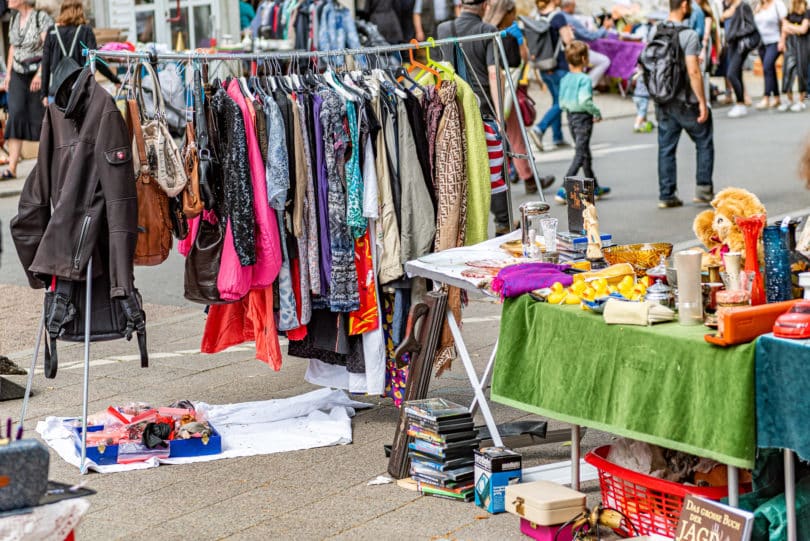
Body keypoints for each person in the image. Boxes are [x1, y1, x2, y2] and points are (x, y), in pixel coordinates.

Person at [437, 0, 554, 235]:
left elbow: (440, 69)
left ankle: (461, 227)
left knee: (459, 169)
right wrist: (500, 116)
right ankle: (503, 223)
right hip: (482, 109)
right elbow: (494, 74)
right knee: (494, 169)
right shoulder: (487, 31)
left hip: (453, 109)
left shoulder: (443, 29)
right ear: (486, 4)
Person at [651, 0, 714, 208]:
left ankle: (667, 194)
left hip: (663, 98)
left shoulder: (655, 31)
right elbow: (693, 71)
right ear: (684, 5)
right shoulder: (689, 35)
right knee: (703, 139)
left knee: (666, 148)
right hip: (685, 100)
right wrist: (703, 102)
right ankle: (703, 189)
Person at [2, 0, 53, 180]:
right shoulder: (14, 20)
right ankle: (12, 167)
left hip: (37, 71)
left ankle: (46, 167)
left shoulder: (41, 18)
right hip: (17, 73)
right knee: (15, 115)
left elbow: (49, 48)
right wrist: (8, 74)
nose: (8, 1)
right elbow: (13, 49)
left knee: (39, 117)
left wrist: (40, 74)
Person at [555, 40, 610, 203]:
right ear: (585, 59)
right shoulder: (585, 79)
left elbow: (561, 102)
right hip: (583, 119)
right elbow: (585, 100)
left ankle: (594, 187)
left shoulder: (565, 78)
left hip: (571, 117)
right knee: (580, 154)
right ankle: (563, 188)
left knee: (585, 152)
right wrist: (596, 112)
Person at [41, 0, 120, 105]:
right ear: (79, 11)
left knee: (59, 120)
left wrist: (44, 94)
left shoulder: (52, 31)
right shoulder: (85, 31)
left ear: (62, 11)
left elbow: (45, 63)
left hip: (58, 91)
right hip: (80, 89)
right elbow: (95, 59)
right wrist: (115, 80)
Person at [530, 0, 573, 151]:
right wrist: (570, 33)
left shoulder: (536, 17)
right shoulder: (558, 17)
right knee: (564, 101)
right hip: (558, 65)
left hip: (544, 66)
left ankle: (557, 137)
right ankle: (539, 129)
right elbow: (568, 41)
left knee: (557, 100)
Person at [559, 0, 613, 86]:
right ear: (569, 6)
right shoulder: (571, 19)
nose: (575, 8)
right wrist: (604, 27)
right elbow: (590, 36)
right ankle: (587, 85)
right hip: (574, 51)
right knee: (604, 61)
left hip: (564, 51)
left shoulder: (557, 16)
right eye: (574, 6)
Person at [721, 0, 756, 117]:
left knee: (731, 74)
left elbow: (751, 26)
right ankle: (740, 104)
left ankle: (740, 103)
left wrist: (735, 34)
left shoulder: (743, 6)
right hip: (731, 45)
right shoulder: (728, 7)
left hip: (740, 45)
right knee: (736, 74)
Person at [754, 0, 788, 109]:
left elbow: (784, 23)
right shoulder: (759, 6)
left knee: (767, 66)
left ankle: (766, 97)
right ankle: (777, 97)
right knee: (770, 69)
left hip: (775, 41)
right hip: (762, 43)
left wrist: (782, 40)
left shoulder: (778, 4)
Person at [778, 0, 809, 110]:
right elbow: (784, 28)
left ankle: (801, 101)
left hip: (803, 45)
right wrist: (782, 41)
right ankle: (789, 100)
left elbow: (803, 29)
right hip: (790, 44)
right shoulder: (789, 12)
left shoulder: (807, 12)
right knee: (787, 71)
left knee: (802, 71)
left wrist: (790, 26)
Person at [632, 65, 654, 132]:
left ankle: (644, 123)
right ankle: (637, 125)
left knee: (641, 111)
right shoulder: (646, 74)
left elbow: (633, 78)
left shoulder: (637, 71)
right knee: (642, 112)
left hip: (636, 95)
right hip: (643, 97)